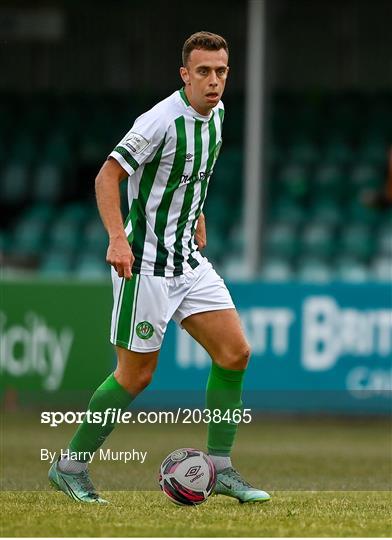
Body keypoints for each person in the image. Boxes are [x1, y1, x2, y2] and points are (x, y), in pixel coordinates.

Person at [49, 31, 270, 505]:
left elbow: (189, 175)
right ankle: (70, 465)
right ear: (185, 75)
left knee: (235, 353)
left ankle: (221, 468)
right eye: (204, 71)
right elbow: (108, 175)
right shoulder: (159, 120)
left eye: (222, 71)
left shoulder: (219, 115)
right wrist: (116, 239)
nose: (215, 81)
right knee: (135, 376)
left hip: (187, 261)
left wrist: (196, 212)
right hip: (144, 263)